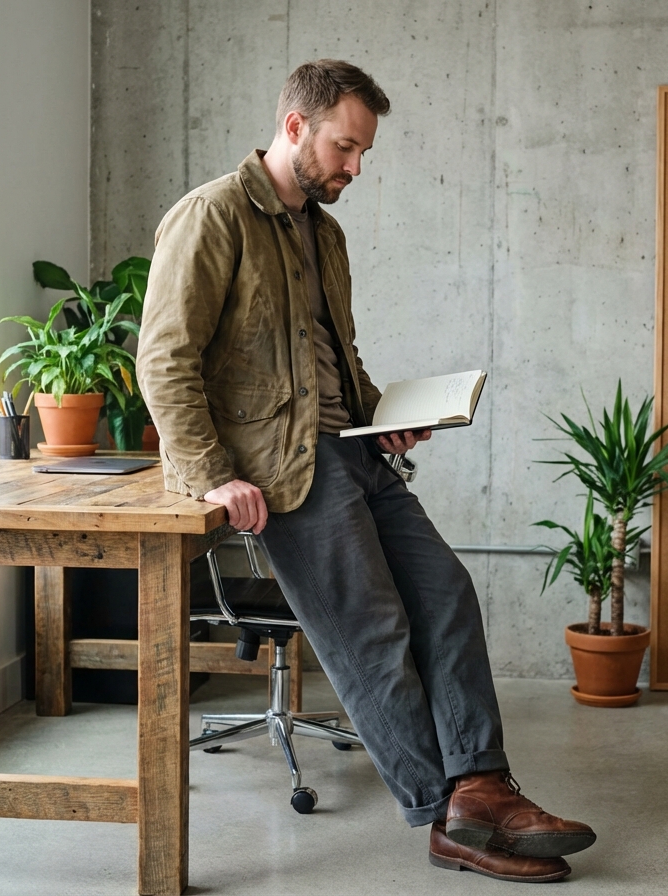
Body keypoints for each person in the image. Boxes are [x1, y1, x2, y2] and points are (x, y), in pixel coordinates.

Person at [138, 58, 595, 884]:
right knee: (375, 635)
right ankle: (445, 812)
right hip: (281, 470)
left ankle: (484, 788)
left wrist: (382, 416)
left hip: (353, 450)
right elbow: (164, 360)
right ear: (294, 128)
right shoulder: (212, 218)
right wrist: (211, 474)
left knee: (448, 593)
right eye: (345, 148)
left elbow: (328, 354)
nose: (354, 167)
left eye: (362, 154)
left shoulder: (323, 230)